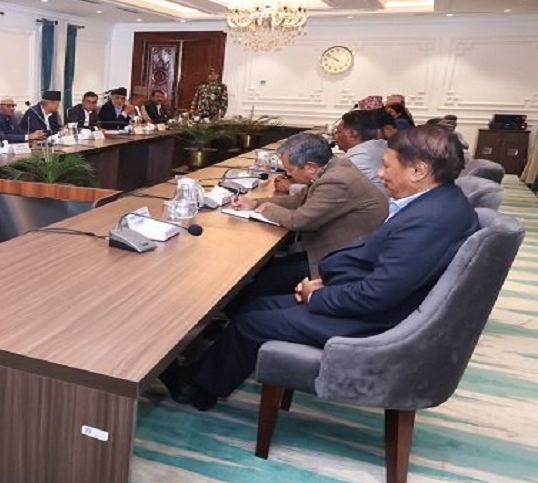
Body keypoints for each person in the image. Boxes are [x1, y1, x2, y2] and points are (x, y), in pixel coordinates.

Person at [162, 125, 478, 411]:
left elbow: (377, 295)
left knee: (252, 323)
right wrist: (327, 283)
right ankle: (207, 375)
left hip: (374, 323)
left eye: (386, 166)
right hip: (367, 297)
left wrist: (317, 295)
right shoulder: (439, 203)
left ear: (418, 170)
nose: (380, 174)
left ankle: (196, 388)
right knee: (258, 304)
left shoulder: (430, 222)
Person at [228, 133, 388, 301]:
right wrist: (255, 203)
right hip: (340, 250)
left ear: (310, 167)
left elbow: (298, 221)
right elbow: (299, 200)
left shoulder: (335, 181)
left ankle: (244, 312)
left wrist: (266, 209)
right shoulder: (333, 167)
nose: (288, 174)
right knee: (268, 270)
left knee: (267, 277)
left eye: (290, 169)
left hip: (342, 260)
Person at [335, 109, 388, 189]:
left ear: (352, 134)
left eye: (339, 132)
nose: (335, 137)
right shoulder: (382, 147)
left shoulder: (358, 159)